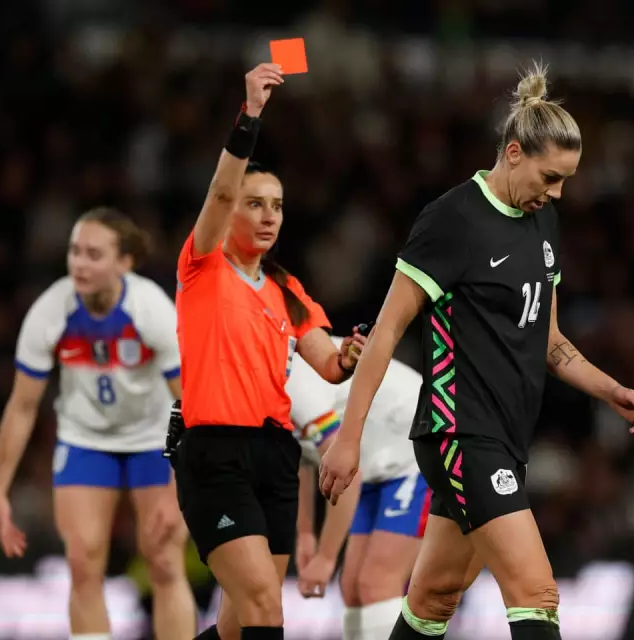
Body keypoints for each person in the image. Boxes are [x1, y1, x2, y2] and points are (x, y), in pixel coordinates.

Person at [319, 62, 634, 640]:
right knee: (536, 592)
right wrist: (347, 438)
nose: (556, 194)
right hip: (459, 431)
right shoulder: (452, 220)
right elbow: (386, 332)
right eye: (550, 177)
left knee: (434, 596)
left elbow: (548, 341)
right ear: (515, 152)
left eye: (566, 181)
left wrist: (611, 390)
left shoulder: (543, 223)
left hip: (506, 434)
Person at [173, 63, 367, 640]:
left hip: (276, 457)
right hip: (215, 453)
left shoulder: (287, 289)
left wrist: (351, 355)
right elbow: (221, 186)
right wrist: (250, 114)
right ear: (230, 210)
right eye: (254, 204)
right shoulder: (201, 267)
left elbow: (329, 366)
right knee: (263, 607)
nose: (268, 216)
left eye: (277, 206)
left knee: (242, 620)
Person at [0, 207, 197, 640]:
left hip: (154, 439)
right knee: (82, 563)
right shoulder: (51, 311)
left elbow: (192, 406)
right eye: (75, 252)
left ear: (125, 262)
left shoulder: (151, 309)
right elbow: (23, 406)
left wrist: (181, 484)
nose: (80, 263)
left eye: (94, 254)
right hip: (85, 440)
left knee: (163, 560)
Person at [215, 333, 427, 640]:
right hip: (373, 461)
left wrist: (326, 557)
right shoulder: (267, 372)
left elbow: (343, 474)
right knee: (353, 587)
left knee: (376, 583)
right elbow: (303, 455)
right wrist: (304, 535)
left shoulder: (293, 383)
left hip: (415, 449)